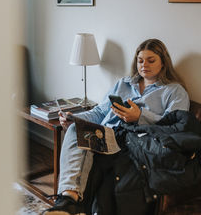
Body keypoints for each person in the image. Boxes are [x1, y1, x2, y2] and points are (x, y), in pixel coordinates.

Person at [43, 38, 190, 215]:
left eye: (151, 60)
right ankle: (68, 199)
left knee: (87, 142)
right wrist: (75, 118)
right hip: (107, 134)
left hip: (133, 141)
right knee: (75, 129)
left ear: (164, 62)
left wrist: (140, 116)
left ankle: (72, 205)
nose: (144, 65)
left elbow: (176, 127)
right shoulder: (124, 83)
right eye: (140, 60)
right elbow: (99, 112)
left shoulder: (174, 91)